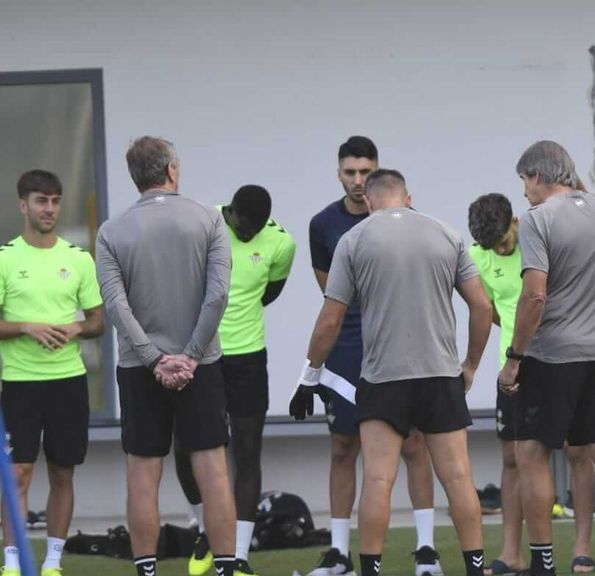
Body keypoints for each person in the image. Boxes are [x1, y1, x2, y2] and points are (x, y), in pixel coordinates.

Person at [296, 168, 492, 576]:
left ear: (368, 202)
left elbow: (330, 319)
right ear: (408, 197)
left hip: (384, 378)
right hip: (440, 375)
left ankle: (370, 570)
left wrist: (308, 376)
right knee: (458, 478)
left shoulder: (353, 240)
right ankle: (476, 568)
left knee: (378, 481)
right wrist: (471, 364)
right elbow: (482, 307)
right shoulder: (446, 234)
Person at [497, 141, 595, 576]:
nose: (523, 192)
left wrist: (515, 356)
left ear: (540, 176)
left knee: (531, 453)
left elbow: (535, 294)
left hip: (551, 354)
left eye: (525, 180)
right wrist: (566, 171)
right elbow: (575, 188)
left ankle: (543, 561)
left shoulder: (537, 221)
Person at [299, 136, 441, 576]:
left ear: (377, 171)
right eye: (350, 172)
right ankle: (340, 551)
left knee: (414, 443)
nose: (358, 181)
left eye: (365, 172)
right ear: (338, 173)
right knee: (343, 446)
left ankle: (425, 550)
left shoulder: (411, 221)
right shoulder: (322, 225)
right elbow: (332, 296)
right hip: (346, 349)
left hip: (399, 345)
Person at [96, 136, 236, 576]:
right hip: (202, 364)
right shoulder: (208, 220)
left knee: (142, 474)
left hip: (140, 368)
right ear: (172, 170)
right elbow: (217, 297)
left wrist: (154, 359)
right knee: (212, 470)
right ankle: (227, 569)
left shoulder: (111, 231)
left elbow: (115, 305)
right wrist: (191, 355)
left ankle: (147, 571)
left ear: (135, 177)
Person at [467, 193, 595, 575]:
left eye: (505, 242)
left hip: (563, 362)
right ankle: (512, 552)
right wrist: (515, 346)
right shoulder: (481, 255)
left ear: (515, 223)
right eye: (493, 247)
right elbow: (490, 311)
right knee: (513, 459)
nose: (501, 250)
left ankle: (582, 548)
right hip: (514, 369)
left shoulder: (540, 242)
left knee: (577, 452)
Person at [174, 184, 296, 576]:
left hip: (248, 358)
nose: (250, 235)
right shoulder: (203, 224)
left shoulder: (281, 243)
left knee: (246, 452)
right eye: (245, 228)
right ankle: (210, 531)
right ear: (230, 213)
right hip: (201, 355)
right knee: (185, 451)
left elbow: (267, 293)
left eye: (257, 229)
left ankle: (239, 555)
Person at [0, 169, 104, 576]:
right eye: (41, 201)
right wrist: (26, 326)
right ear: (23, 205)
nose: (49, 209)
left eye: (56, 201)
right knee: (18, 475)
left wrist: (76, 327)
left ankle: (54, 563)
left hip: (67, 382)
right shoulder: (6, 258)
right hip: (20, 383)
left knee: (63, 472)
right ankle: (11, 562)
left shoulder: (78, 258)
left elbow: (97, 321)